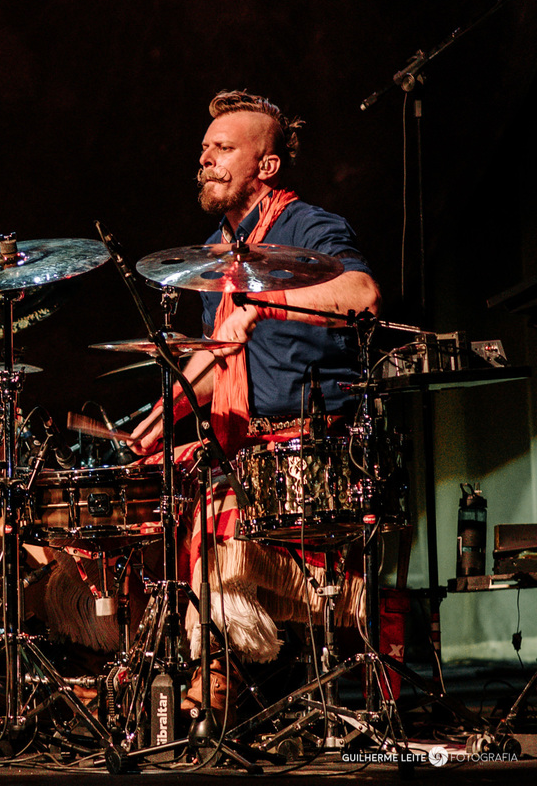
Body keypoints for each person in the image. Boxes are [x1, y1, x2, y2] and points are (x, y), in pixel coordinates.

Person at [130, 90, 382, 710]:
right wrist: (168, 410)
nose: (205, 159)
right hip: (239, 441)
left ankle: (214, 682)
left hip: (310, 444)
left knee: (218, 519)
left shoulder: (308, 227)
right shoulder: (214, 253)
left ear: (265, 165)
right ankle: (141, 669)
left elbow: (363, 295)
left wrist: (266, 304)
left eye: (223, 148)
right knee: (138, 502)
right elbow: (224, 359)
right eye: (204, 149)